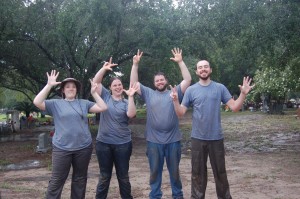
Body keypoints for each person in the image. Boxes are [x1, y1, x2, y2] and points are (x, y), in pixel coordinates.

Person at [170, 60, 254, 199]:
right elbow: (180, 113)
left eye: (205, 67)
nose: (203, 69)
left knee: (220, 173)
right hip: (197, 138)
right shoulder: (191, 90)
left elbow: (234, 107)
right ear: (196, 72)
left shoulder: (220, 88)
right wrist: (175, 101)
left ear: (210, 70)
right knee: (197, 174)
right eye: (200, 68)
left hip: (216, 138)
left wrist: (243, 94)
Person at [33, 70, 108, 199]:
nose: (71, 89)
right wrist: (49, 85)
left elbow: (103, 107)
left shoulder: (84, 103)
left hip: (83, 148)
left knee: (80, 180)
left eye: (73, 87)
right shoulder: (55, 104)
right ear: (62, 90)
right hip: (62, 148)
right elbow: (37, 102)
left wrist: (94, 93)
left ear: (77, 90)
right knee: (57, 180)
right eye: (67, 86)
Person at [130, 48, 192, 199]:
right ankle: (155, 196)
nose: (159, 82)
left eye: (162, 80)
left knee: (175, 172)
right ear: (154, 83)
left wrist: (180, 62)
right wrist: (135, 65)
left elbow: (188, 80)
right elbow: (133, 84)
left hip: (173, 141)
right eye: (157, 80)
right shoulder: (148, 93)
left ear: (166, 81)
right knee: (155, 172)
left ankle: (178, 196)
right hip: (153, 142)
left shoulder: (174, 91)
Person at [93, 57, 139, 199]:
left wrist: (131, 97)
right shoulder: (105, 96)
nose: (118, 87)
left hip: (123, 145)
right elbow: (95, 82)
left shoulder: (126, 102)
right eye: (115, 85)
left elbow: (131, 114)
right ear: (110, 88)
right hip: (103, 144)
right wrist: (104, 69)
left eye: (120, 85)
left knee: (123, 176)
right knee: (104, 176)